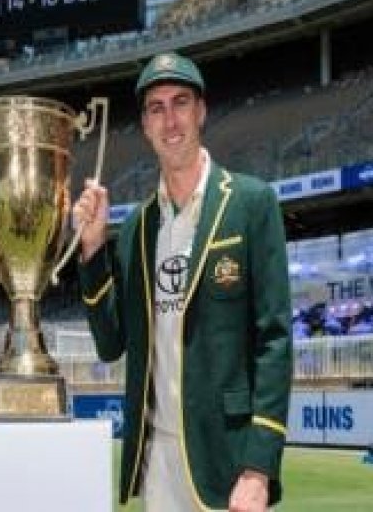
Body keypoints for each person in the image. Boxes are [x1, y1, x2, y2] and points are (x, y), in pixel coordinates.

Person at [72, 52, 292, 512]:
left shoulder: (251, 202)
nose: (170, 120)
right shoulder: (136, 228)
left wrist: (259, 469)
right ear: (146, 126)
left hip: (228, 463)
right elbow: (111, 344)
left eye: (180, 102)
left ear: (201, 111)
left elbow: (274, 340)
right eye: (156, 108)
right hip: (157, 464)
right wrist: (92, 252)